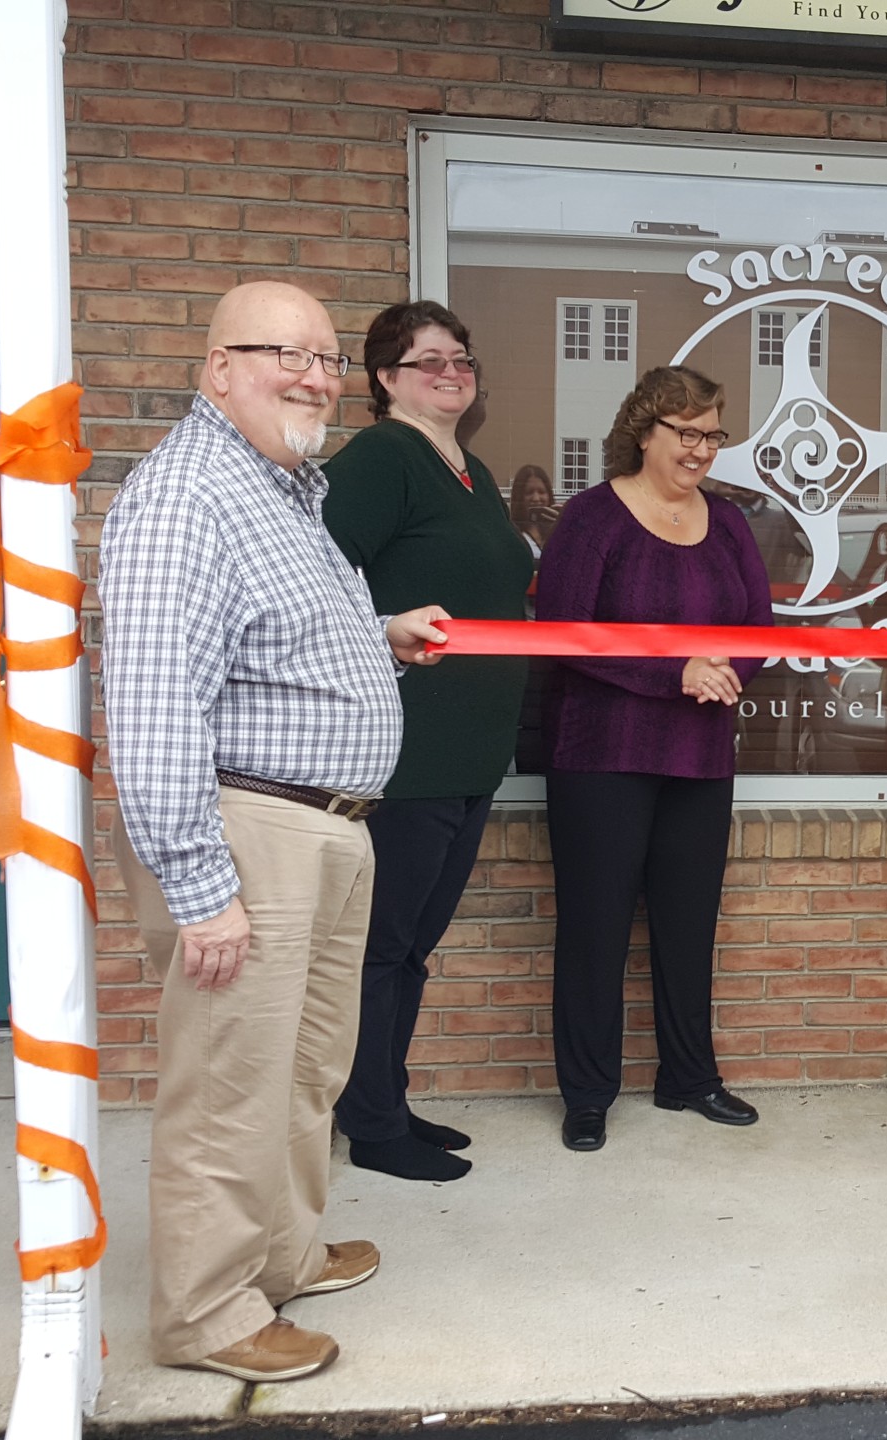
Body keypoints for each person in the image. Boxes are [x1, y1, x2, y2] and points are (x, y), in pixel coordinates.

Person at [101, 281, 453, 1382]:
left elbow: (271, 641)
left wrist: (377, 638)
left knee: (302, 1072)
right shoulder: (188, 497)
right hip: (249, 828)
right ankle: (206, 1315)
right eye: (280, 355)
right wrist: (201, 885)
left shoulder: (281, 487)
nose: (311, 376)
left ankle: (281, 1255)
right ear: (215, 368)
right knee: (232, 1086)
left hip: (320, 825)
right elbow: (155, 703)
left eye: (325, 359)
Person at [319, 300, 532, 1184]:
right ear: (385, 378)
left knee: (411, 945)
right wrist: (382, 625)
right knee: (381, 946)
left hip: (469, 754)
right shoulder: (382, 459)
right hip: (408, 754)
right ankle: (369, 1122)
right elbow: (317, 580)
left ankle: (387, 1099)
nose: (452, 372)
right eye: (429, 360)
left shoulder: (469, 469)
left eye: (462, 359)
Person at [534, 366, 772, 1153]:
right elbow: (563, 635)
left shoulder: (731, 524)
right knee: (596, 928)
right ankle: (589, 1092)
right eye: (688, 433)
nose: (702, 449)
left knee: (687, 925)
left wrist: (731, 669)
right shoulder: (592, 518)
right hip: (601, 756)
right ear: (645, 431)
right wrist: (674, 672)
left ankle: (689, 1078)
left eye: (713, 434)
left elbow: (759, 630)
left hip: (700, 755)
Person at [508, 463, 559, 558]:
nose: (536, 498)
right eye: (529, 492)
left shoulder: (559, 531)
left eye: (541, 492)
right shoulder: (511, 535)